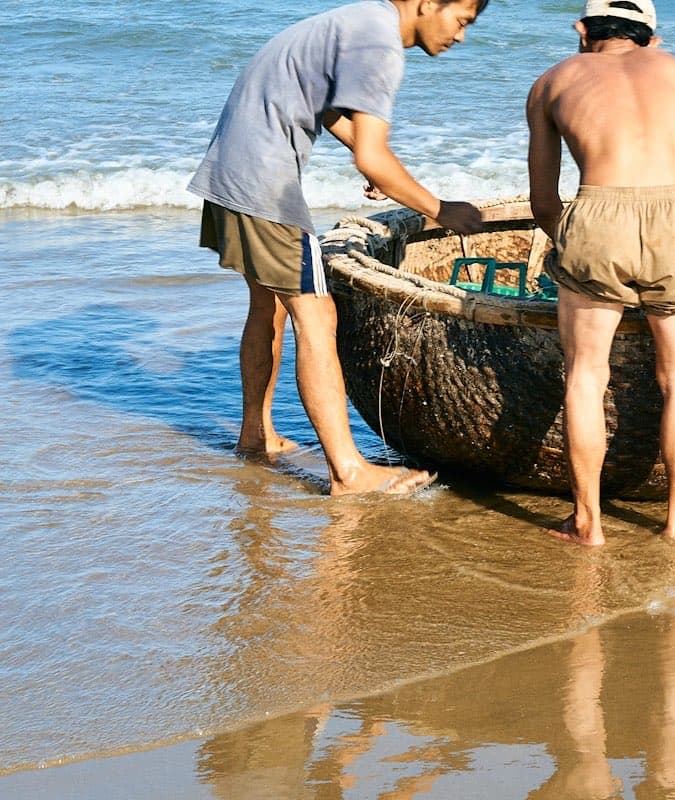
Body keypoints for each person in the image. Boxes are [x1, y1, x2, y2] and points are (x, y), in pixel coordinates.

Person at [188, 0, 488, 495]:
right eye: (461, 20)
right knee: (317, 314)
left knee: (270, 306)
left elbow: (325, 107)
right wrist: (438, 208)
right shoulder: (381, 43)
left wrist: (370, 161)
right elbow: (375, 154)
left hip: (229, 165)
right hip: (264, 180)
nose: (460, 35)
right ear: (428, 4)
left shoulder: (357, 20)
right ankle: (348, 471)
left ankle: (254, 436)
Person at [526, 0, 675, 545]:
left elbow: (544, 200)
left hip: (597, 211)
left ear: (581, 29)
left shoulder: (552, 81)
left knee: (586, 376)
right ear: (652, 39)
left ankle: (587, 522)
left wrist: (574, 244)